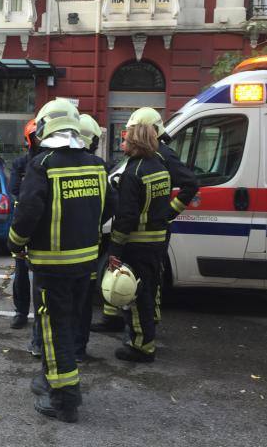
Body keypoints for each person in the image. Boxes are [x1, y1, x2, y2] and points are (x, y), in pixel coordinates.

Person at [7, 99, 109, 423]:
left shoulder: (43, 164)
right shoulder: (96, 164)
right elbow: (108, 209)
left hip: (52, 266)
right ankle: (51, 379)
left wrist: (14, 242)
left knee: (53, 330)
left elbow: (27, 213)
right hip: (85, 263)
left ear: (46, 127)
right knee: (67, 326)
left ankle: (64, 400)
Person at [91, 106, 199, 332]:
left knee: (145, 281)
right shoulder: (146, 156)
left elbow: (190, 183)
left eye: (132, 132)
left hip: (145, 230)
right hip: (140, 227)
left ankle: (146, 325)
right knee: (125, 273)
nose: (127, 138)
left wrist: (168, 213)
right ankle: (114, 318)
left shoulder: (162, 154)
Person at [107, 123, 172, 363]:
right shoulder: (160, 167)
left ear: (135, 143)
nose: (123, 144)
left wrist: (115, 248)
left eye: (126, 140)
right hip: (157, 243)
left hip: (137, 245)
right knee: (150, 293)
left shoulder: (133, 173)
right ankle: (147, 339)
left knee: (135, 296)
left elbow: (126, 218)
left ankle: (142, 346)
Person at [75, 114, 103, 361]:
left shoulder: (50, 162)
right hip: (89, 251)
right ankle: (79, 349)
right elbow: (111, 205)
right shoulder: (99, 166)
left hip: (55, 255)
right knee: (84, 304)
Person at [8, 119, 38, 331]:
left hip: (43, 222)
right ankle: (21, 311)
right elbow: (14, 189)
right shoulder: (20, 163)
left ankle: (40, 312)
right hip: (23, 221)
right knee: (21, 271)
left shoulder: (51, 161)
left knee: (43, 273)